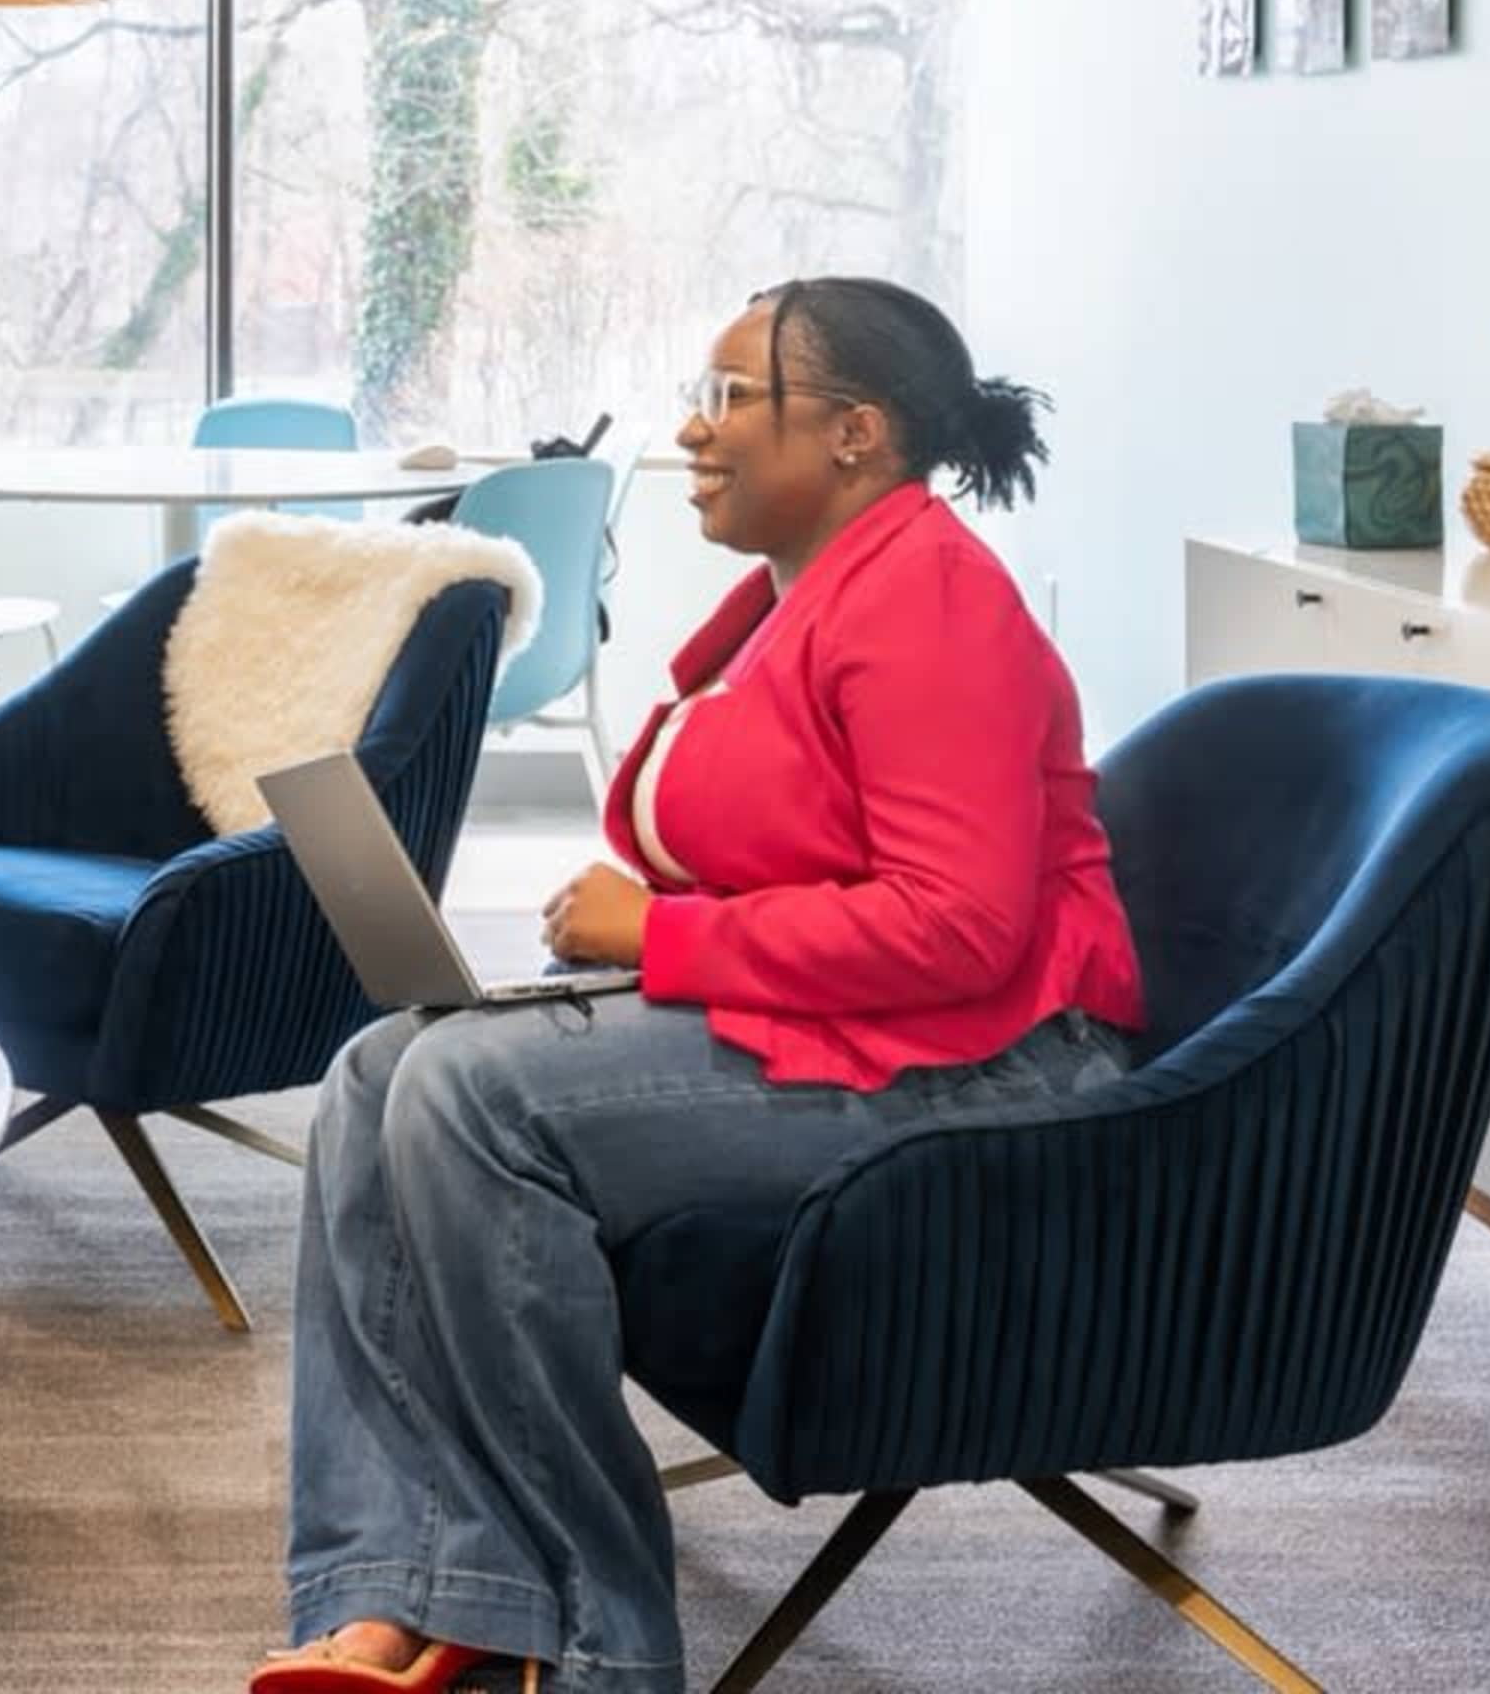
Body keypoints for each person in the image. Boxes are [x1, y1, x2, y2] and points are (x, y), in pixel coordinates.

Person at [254, 278, 1145, 1694]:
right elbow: (807, 847)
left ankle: (598, 1641)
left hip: (992, 1062)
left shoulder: (932, 603)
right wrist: (650, 922)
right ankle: (405, 1585)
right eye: (701, 395)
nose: (691, 430)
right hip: (865, 1023)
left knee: (476, 1096)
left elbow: (960, 928)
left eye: (733, 397)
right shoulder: (793, 601)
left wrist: (661, 938)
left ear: (854, 432)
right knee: (378, 1071)